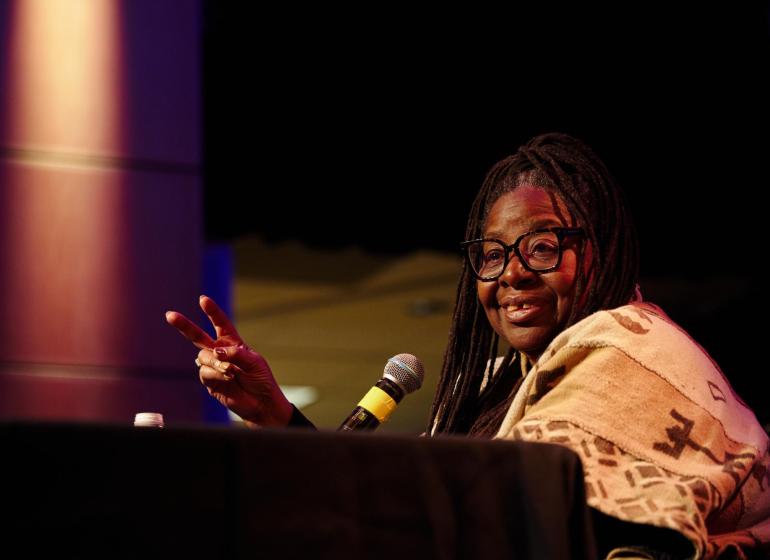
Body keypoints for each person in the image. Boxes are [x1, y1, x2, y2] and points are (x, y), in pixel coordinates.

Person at [166, 133, 769, 559]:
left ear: (601, 251)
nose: (511, 274)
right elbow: (400, 524)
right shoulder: (502, 386)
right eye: (493, 255)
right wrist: (277, 416)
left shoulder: (629, 350)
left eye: (542, 246)